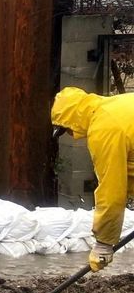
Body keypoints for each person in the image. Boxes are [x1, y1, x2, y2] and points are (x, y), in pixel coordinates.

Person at [51, 87, 134, 271]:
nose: (72, 136)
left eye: (67, 130)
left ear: (72, 121)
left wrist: (104, 243)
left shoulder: (103, 128)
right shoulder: (114, 107)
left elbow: (112, 191)